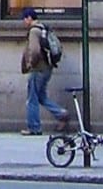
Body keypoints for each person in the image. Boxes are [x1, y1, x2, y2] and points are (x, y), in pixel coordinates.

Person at [19, 7, 67, 135]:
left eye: (24, 18)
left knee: (32, 99)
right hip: (47, 68)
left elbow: (34, 50)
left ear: (29, 18)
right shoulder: (44, 28)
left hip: (38, 69)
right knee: (41, 97)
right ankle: (61, 113)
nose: (23, 21)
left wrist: (30, 64)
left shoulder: (34, 31)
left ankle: (34, 127)